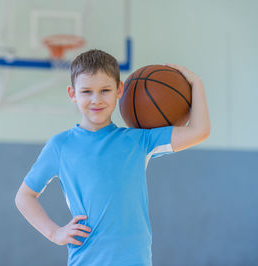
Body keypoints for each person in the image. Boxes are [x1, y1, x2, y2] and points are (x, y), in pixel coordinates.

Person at [15, 49, 210, 266]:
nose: (96, 99)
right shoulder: (60, 146)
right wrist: (55, 233)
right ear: (72, 94)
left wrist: (196, 83)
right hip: (86, 260)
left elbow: (199, 131)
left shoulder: (139, 141)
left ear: (119, 90)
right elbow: (24, 196)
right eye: (86, 91)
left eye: (105, 90)